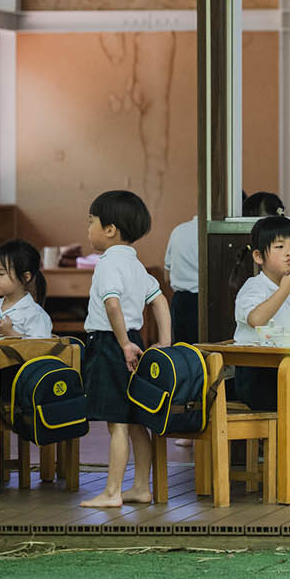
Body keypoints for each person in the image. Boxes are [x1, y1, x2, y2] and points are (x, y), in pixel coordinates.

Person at [79, 190, 172, 509]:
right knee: (134, 420)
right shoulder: (136, 266)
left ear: (110, 229)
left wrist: (122, 344)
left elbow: (111, 304)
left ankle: (112, 491)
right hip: (134, 340)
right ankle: (141, 487)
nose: (87, 228)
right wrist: (164, 341)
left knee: (117, 422)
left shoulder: (107, 265)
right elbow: (159, 301)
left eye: (91, 221)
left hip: (111, 343)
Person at [232, 214, 290, 488]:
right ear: (259, 257)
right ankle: (281, 476)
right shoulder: (253, 288)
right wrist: (284, 291)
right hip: (257, 376)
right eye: (280, 247)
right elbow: (256, 320)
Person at [0, 239, 53, 339]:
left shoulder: (34, 313)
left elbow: (41, 346)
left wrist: (11, 333)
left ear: (26, 277)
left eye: (1, 273)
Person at [162, 214, 199, 345]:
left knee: (184, 354)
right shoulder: (212, 233)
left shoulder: (179, 230)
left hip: (181, 300)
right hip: (208, 303)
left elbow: (167, 272)